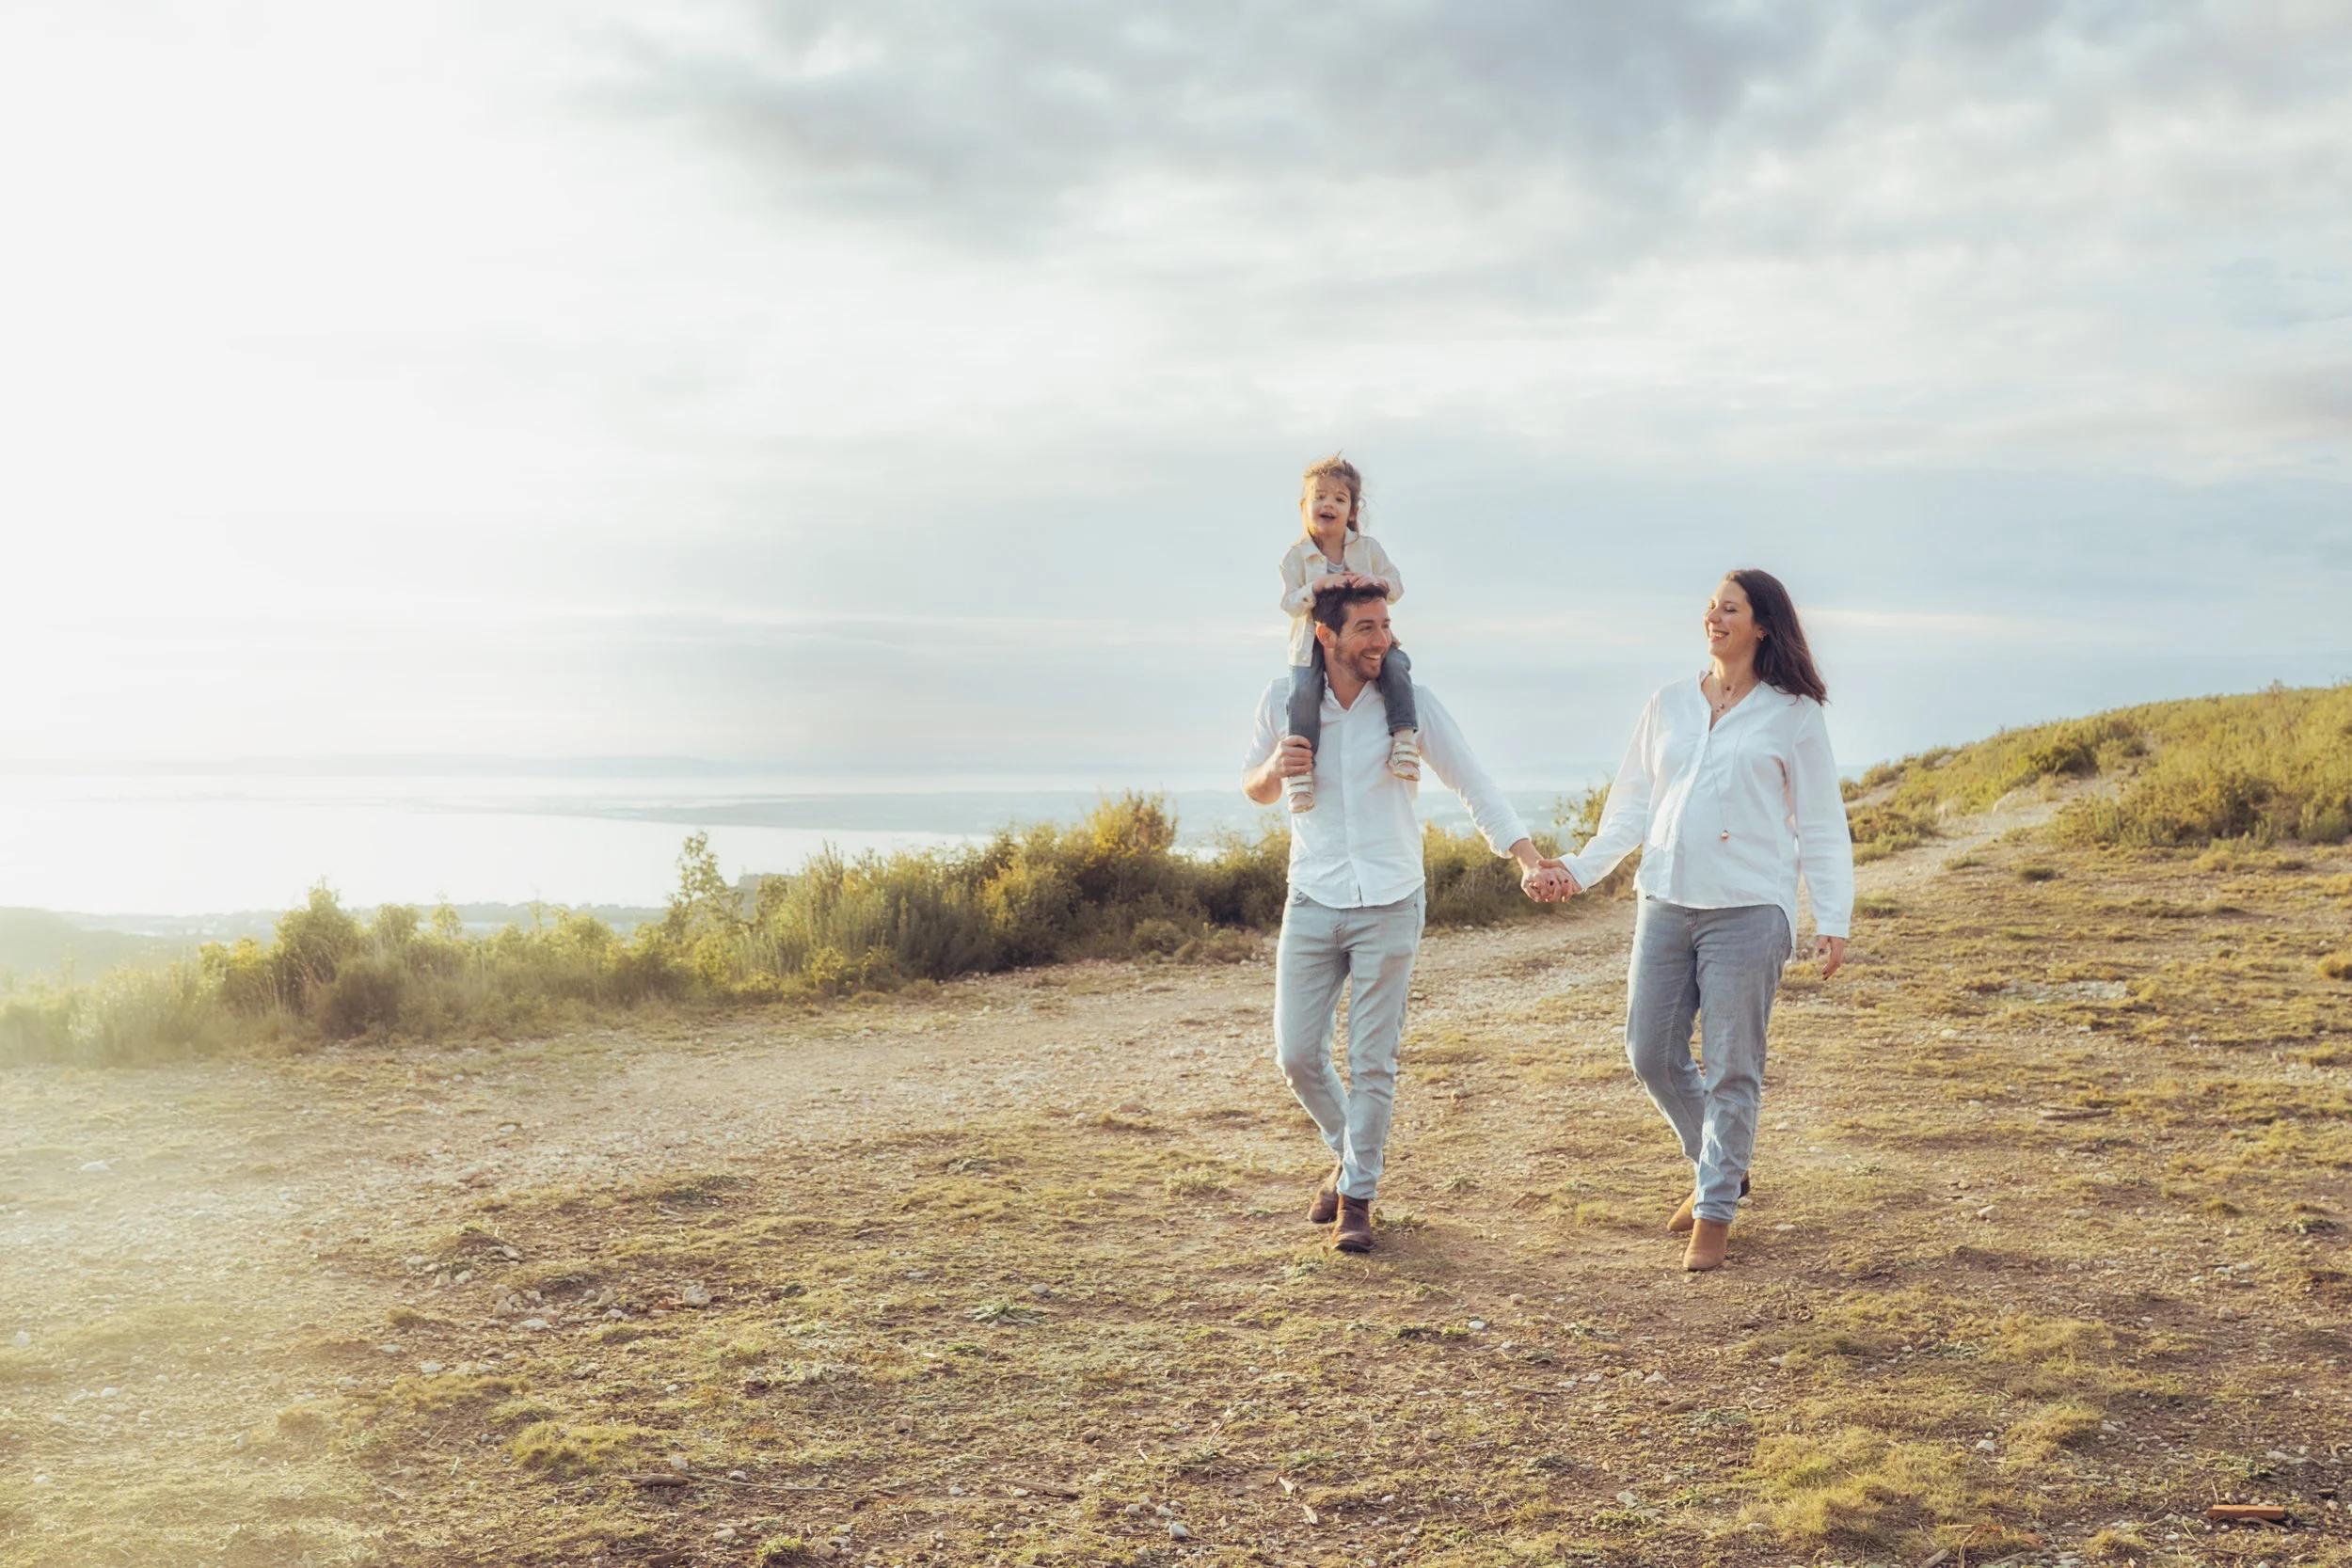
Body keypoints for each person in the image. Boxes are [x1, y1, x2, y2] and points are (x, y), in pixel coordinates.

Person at [1242, 581, 1570, 1252]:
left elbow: (1473, 780)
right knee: (1297, 1054)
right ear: (1326, 636)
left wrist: (1528, 859)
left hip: (1391, 899)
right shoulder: (1283, 700)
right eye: (1366, 627)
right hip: (1311, 896)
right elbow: (1254, 785)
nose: (1381, 640)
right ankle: (1351, 1153)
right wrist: (1277, 766)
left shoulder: (1408, 705)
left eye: (1386, 625)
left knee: (1372, 1059)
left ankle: (1357, 1196)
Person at [1545, 569, 1854, 1273]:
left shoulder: (1793, 713)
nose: (1714, 615)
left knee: (1732, 1065)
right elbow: (1628, 807)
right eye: (1712, 605)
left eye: (1731, 608)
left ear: (1763, 625)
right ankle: (1721, 1162)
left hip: (1749, 908)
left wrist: (1832, 915)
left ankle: (1715, 1209)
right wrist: (1580, 868)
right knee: (1648, 1049)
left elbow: (1821, 823)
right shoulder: (1669, 703)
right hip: (1664, 900)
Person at [1276, 454, 1419, 812]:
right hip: (1312, 645)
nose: (1328, 504)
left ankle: (1403, 740)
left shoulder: (1368, 549)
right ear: (1304, 506)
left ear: (1352, 510)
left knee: (1397, 666)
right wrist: (1317, 587)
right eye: (1320, 497)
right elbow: (1290, 604)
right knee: (1303, 694)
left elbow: (1397, 586)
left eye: (1339, 499)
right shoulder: (1295, 558)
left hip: (1362, 643)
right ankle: (1300, 776)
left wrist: (1377, 581)